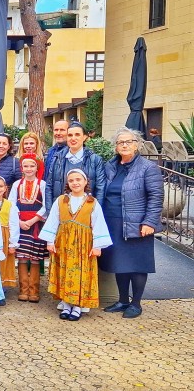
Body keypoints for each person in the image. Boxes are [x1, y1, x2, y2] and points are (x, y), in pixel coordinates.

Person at [100, 127, 164, 319]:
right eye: (121, 142)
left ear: (137, 145)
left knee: (137, 264)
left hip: (138, 223)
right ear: (116, 146)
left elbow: (156, 196)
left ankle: (136, 304)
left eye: (129, 141)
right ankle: (122, 301)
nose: (125, 145)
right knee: (120, 262)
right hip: (113, 222)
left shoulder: (148, 167)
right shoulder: (110, 166)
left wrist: (149, 222)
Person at [40, 169, 112, 321]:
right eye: (71, 180)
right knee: (65, 271)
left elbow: (98, 224)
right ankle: (66, 304)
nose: (75, 183)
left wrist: (97, 246)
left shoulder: (92, 202)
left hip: (83, 245)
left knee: (80, 273)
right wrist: (50, 241)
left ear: (85, 182)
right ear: (68, 183)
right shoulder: (61, 200)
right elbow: (53, 220)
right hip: (63, 243)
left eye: (78, 179)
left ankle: (78, 306)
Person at [9, 155, 48, 303]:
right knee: (22, 257)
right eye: (26, 166)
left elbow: (46, 206)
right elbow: (12, 204)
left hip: (36, 224)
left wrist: (33, 220)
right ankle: (23, 290)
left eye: (32, 166)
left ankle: (34, 290)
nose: (29, 169)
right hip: (20, 225)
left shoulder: (42, 184)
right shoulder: (17, 184)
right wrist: (18, 222)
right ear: (21, 168)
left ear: (37, 168)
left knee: (35, 257)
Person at [44, 122, 106, 213]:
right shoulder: (57, 158)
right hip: (61, 211)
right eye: (70, 135)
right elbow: (49, 187)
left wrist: (94, 213)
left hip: (86, 212)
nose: (73, 138)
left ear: (84, 137)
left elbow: (100, 189)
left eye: (77, 135)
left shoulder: (95, 160)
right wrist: (50, 212)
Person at [0, 176, 20, 296]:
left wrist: (12, 243)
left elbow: (14, 224)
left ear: (5, 188)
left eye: (1, 186)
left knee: (3, 262)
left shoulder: (10, 205)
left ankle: (1, 288)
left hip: (4, 237)